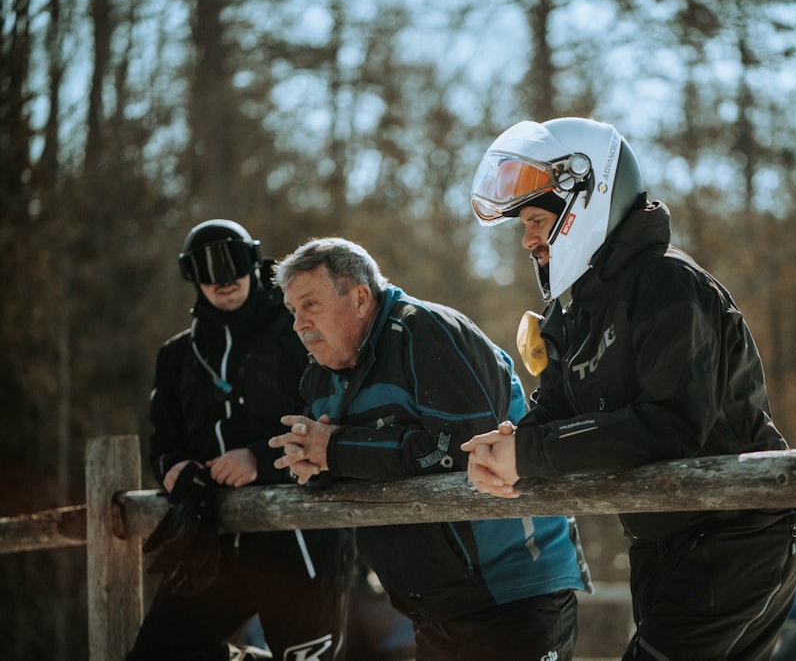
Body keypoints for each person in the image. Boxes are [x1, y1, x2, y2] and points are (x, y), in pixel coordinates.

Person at [462, 117, 796, 661]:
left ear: (583, 202)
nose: (527, 240)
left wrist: (527, 452)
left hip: (739, 532)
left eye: (534, 220)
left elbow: (672, 424)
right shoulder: (570, 313)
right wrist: (507, 447)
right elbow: (552, 413)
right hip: (659, 537)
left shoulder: (669, 283)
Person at [267, 236, 592, 661]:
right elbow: (345, 461)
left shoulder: (426, 330)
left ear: (361, 298)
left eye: (310, 304)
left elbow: (459, 449)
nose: (298, 324)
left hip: (512, 594)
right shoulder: (320, 378)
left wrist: (335, 451)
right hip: (430, 609)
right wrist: (309, 462)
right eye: (293, 311)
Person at [129, 219, 354, 661]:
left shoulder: (300, 332)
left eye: (233, 263)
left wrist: (259, 459)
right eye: (208, 269)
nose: (225, 279)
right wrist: (176, 470)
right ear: (191, 275)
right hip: (213, 541)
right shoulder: (178, 356)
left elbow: (333, 419)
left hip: (299, 539)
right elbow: (164, 441)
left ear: (253, 260)